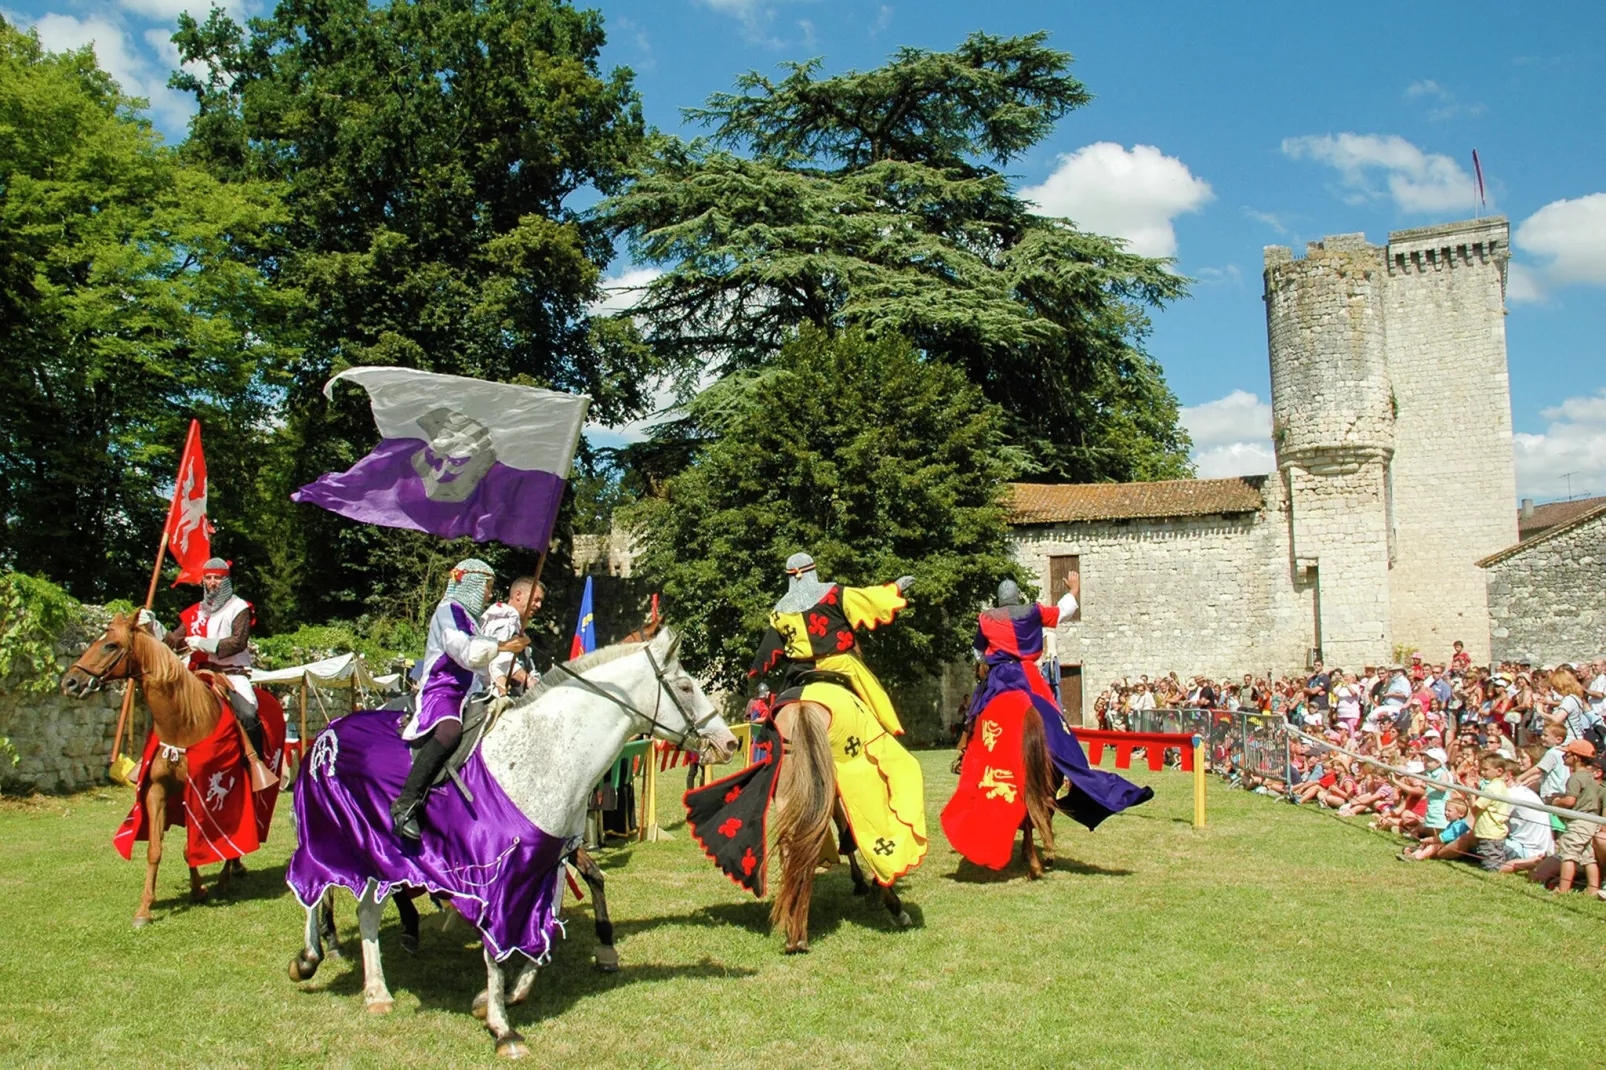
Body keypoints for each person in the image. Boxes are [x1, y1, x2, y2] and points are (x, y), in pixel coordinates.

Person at [391, 559, 529, 841]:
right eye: (488, 588)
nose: (490, 595)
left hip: (468, 692)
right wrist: (503, 646)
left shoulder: (470, 619)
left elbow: (479, 664)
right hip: (442, 690)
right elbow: (464, 652)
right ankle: (406, 804)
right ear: (473, 586)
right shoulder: (448, 612)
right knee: (450, 729)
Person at [157, 557, 269, 770]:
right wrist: (154, 626)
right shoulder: (195, 612)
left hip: (231, 674)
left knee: (247, 714)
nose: (212, 582)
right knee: (167, 705)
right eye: (208, 578)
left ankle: (255, 764)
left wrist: (205, 644)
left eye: (217, 578)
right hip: (197, 673)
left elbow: (238, 642)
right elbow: (174, 641)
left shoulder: (239, 608)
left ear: (225, 580)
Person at [1550, 739, 1603, 897]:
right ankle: (1593, 889)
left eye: (1567, 754)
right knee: (1588, 856)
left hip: (1580, 820)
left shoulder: (1575, 777)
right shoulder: (1590, 778)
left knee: (1568, 853)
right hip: (1592, 819)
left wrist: (1557, 802)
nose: (1564, 756)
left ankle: (1563, 888)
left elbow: (1570, 801)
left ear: (1576, 758)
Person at [482, 576, 544, 698]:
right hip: (492, 696)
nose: (539, 605)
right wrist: (530, 681)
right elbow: (500, 662)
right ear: (518, 595)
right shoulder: (504, 618)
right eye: (536, 600)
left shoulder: (516, 626)